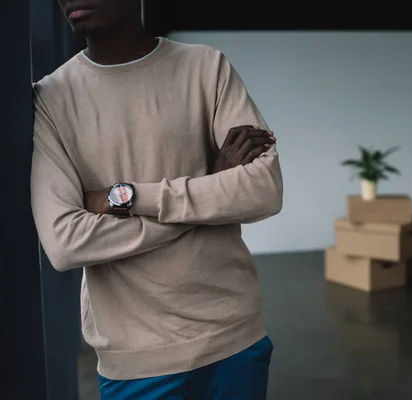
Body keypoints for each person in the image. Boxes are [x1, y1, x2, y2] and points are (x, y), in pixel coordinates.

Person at [30, 0, 283, 398]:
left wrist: (124, 197)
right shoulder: (52, 98)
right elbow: (64, 242)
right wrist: (211, 187)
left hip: (235, 337)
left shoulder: (207, 67)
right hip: (137, 359)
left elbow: (263, 191)